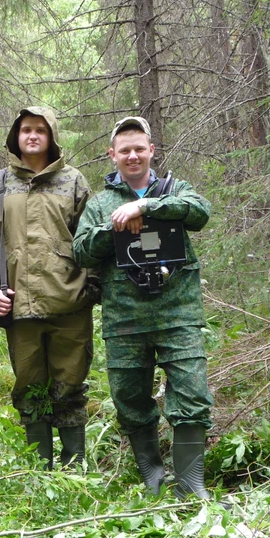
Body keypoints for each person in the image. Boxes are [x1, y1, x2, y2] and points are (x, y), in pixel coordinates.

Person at [71, 116, 213, 499]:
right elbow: (81, 250)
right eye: (124, 150)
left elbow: (200, 212)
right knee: (130, 398)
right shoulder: (101, 204)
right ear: (112, 155)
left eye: (139, 149)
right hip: (125, 318)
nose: (132, 156)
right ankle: (153, 476)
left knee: (192, 393)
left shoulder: (175, 189)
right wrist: (114, 226)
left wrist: (148, 207)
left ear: (151, 150)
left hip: (177, 312)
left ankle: (190, 483)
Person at [0, 107, 100, 469]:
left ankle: (73, 467)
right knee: (30, 387)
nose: (32, 136)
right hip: (19, 307)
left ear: (52, 136)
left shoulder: (75, 182)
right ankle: (40, 468)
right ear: (15, 137)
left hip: (69, 304)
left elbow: (91, 238)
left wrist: (91, 288)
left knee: (70, 385)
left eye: (40, 130)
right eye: (25, 130)